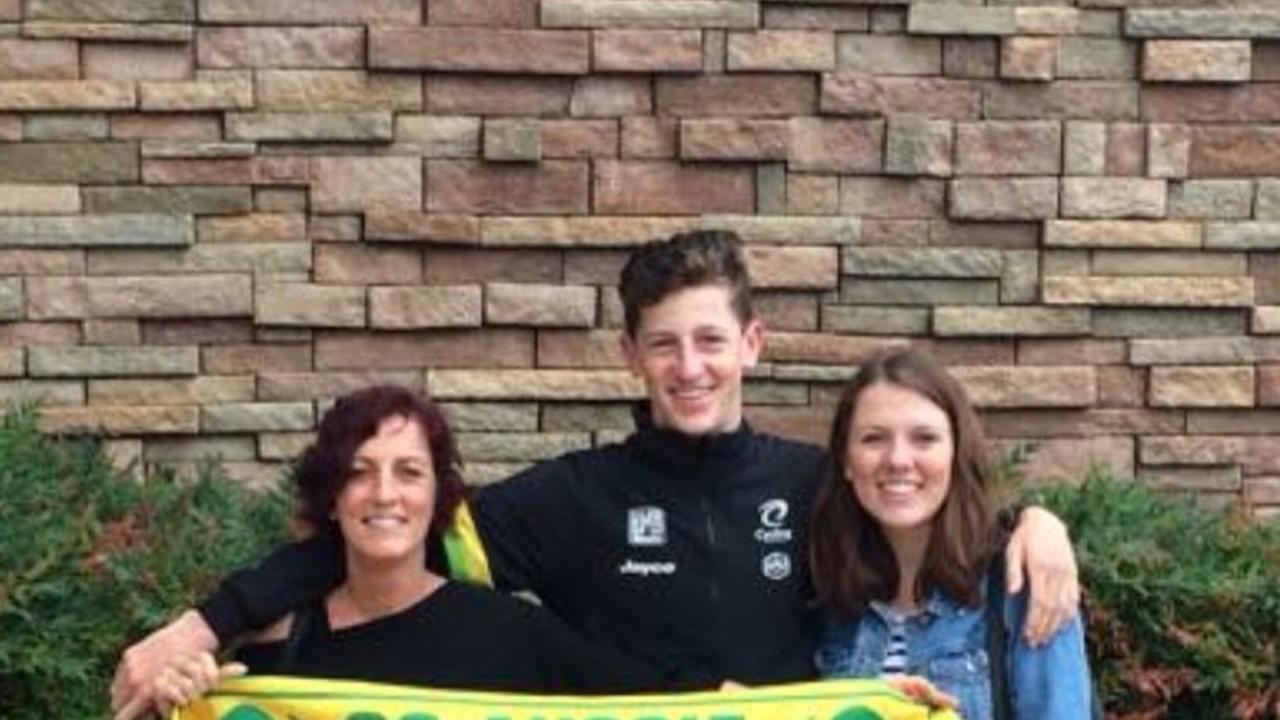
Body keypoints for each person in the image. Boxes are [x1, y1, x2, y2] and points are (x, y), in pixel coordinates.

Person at [112, 230, 1080, 719]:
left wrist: (1032, 522)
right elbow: (378, 528)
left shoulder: (818, 482)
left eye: (709, 339)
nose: (688, 367)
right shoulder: (564, 499)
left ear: (751, 342)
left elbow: (923, 507)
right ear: (629, 356)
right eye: (663, 344)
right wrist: (204, 624)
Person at [152, 385, 657, 715]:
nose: (385, 494)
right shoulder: (278, 644)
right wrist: (181, 701)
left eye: (410, 472)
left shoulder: (508, 632)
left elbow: (652, 700)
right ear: (332, 498)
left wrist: (732, 702)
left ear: (438, 494)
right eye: (359, 471)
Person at [810, 348, 1093, 720]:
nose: (897, 459)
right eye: (874, 438)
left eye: (924, 438)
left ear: (955, 452)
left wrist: (1041, 519)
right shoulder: (825, 592)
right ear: (847, 461)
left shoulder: (1018, 586)